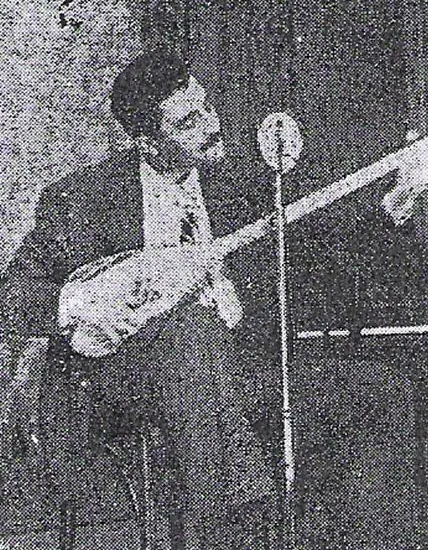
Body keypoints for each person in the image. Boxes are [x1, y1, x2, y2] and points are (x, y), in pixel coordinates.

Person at [0, 50, 279, 549]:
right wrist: (82, 302)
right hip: (122, 379)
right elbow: (15, 295)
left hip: (238, 368)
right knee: (190, 332)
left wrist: (401, 188)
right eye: (189, 123)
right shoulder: (86, 197)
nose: (212, 126)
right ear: (148, 142)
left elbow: (316, 243)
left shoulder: (243, 185)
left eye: (207, 108)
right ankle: (232, 525)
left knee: (379, 392)